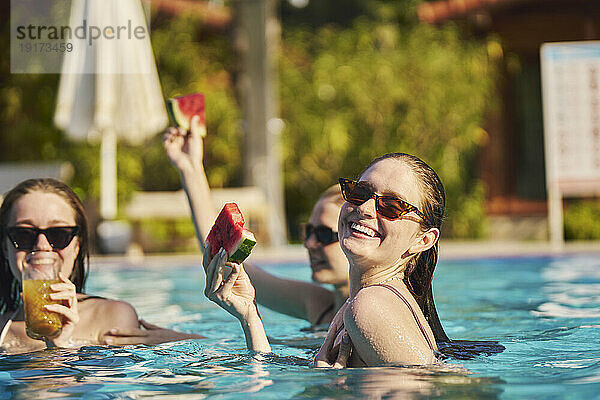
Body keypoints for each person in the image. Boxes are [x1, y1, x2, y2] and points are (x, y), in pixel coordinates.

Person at [203, 152, 452, 366]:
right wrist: (250, 317)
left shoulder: (369, 305)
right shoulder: (374, 302)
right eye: (360, 192)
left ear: (424, 240)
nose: (365, 208)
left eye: (392, 206)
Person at [163, 118, 349, 326]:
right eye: (308, 231)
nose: (309, 243)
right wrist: (190, 167)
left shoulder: (375, 316)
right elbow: (225, 255)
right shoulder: (320, 305)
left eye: (324, 234)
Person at [0, 178, 203, 353]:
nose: (42, 246)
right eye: (23, 235)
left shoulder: (111, 316)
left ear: (77, 246)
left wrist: (61, 347)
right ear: (5, 248)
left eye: (58, 234)